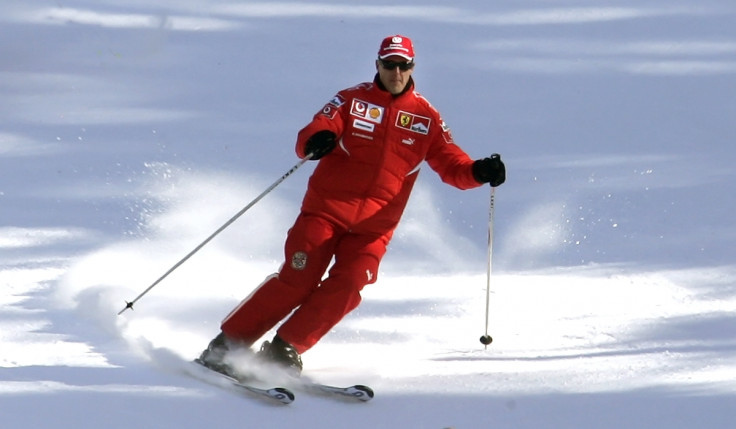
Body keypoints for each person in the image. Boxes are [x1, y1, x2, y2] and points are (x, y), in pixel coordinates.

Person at [197, 34, 506, 377]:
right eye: (389, 64)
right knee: (297, 278)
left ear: (413, 68)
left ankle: (285, 349)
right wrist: (318, 138)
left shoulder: (426, 118)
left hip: (374, 228)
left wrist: (479, 171)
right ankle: (227, 344)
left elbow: (454, 166)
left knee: (350, 283)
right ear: (377, 65)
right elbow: (316, 128)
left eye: (403, 66)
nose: (396, 72)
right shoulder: (351, 100)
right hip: (325, 211)